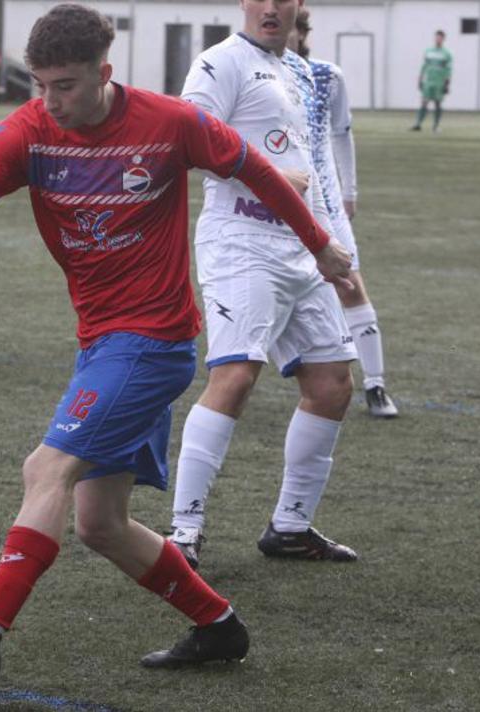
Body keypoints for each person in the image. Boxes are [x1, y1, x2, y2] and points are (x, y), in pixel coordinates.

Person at [0, 3, 352, 683]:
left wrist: (322, 246)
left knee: (45, 469)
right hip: (100, 344)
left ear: (104, 73)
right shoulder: (30, 132)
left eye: (65, 85)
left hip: (153, 344)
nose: (50, 100)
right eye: (39, 84)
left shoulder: (170, 123)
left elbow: (257, 171)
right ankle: (219, 626)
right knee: (100, 524)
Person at [166, 0, 361, 571]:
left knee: (331, 384)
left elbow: (312, 165)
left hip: (303, 247)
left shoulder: (297, 70)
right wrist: (268, 175)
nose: (272, 8)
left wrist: (330, 241)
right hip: (242, 242)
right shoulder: (218, 63)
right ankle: (184, 532)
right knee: (234, 375)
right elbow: (187, 144)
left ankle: (290, 527)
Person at [288, 9, 398, 418]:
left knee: (351, 285)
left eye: (293, 29)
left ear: (302, 33)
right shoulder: (254, 73)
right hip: (276, 202)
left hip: (326, 202)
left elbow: (342, 134)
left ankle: (376, 385)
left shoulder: (326, 76)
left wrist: (348, 191)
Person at [412, 30, 452, 132]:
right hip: (428, 81)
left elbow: (448, 70)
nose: (438, 39)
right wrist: (420, 79)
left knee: (438, 103)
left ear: (443, 39)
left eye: (440, 37)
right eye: (436, 37)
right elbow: (424, 66)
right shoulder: (428, 51)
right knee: (424, 102)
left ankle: (436, 126)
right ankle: (418, 124)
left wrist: (447, 84)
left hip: (439, 82)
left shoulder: (447, 54)